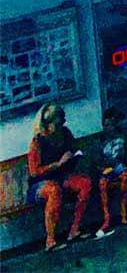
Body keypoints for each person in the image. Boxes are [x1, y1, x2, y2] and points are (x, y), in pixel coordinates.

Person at [26, 103, 94, 250]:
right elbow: (34, 172)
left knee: (85, 183)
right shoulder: (37, 142)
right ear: (47, 124)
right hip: (39, 185)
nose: (60, 126)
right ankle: (50, 241)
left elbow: (73, 150)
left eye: (61, 122)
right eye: (56, 124)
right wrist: (57, 164)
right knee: (53, 190)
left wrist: (75, 156)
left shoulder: (65, 134)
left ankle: (74, 229)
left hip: (62, 177)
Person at [97, 107, 127, 233]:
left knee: (125, 176)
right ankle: (107, 218)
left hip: (120, 165)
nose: (108, 128)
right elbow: (96, 161)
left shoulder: (123, 136)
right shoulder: (100, 141)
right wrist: (103, 169)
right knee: (102, 184)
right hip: (106, 168)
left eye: (111, 125)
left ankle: (123, 213)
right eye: (106, 125)